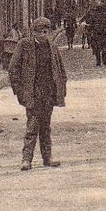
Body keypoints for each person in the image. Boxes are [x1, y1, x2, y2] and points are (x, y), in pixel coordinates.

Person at [10, 17, 67, 170]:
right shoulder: (24, 45)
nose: (43, 35)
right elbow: (13, 69)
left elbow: (61, 70)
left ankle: (47, 158)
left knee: (46, 127)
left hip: (48, 92)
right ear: (34, 33)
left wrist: (62, 89)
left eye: (46, 31)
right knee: (32, 126)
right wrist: (19, 92)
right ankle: (26, 159)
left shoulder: (53, 48)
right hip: (32, 93)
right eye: (40, 32)